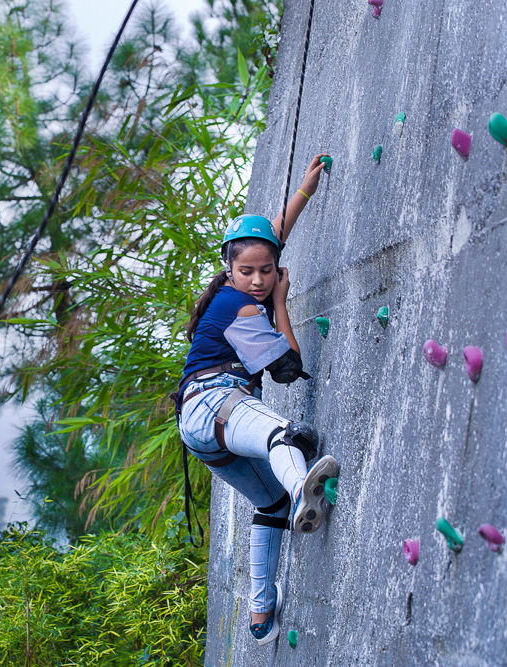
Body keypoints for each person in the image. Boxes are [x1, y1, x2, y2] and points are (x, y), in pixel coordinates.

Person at [175, 153, 337, 645]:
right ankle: (300, 489)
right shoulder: (240, 304)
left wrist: (306, 190)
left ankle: (261, 615)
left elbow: (270, 236)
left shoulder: (245, 274)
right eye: (248, 271)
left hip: (202, 432)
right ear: (229, 269)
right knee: (282, 436)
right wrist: (282, 304)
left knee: (266, 506)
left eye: (267, 272)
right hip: (216, 401)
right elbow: (287, 368)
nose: (260, 280)